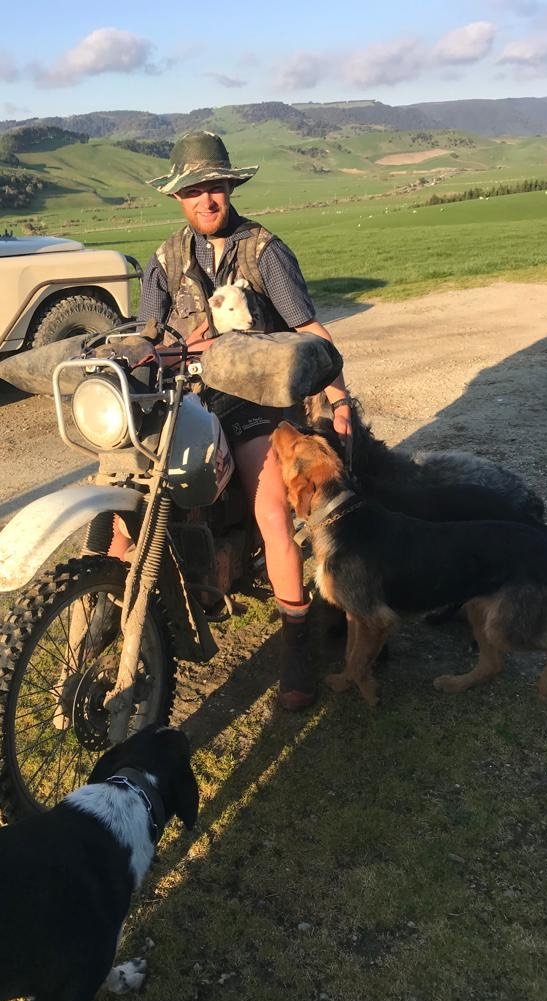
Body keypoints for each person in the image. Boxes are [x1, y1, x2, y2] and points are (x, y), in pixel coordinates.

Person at [138, 130, 352, 710]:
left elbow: (309, 332)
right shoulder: (163, 260)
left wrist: (337, 396)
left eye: (216, 188)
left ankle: (297, 644)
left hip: (257, 406)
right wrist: (135, 354)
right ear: (178, 198)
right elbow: (145, 337)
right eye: (194, 191)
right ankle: (115, 610)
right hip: (191, 401)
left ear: (230, 190)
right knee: (130, 491)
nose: (206, 200)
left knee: (270, 510)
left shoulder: (264, 251)